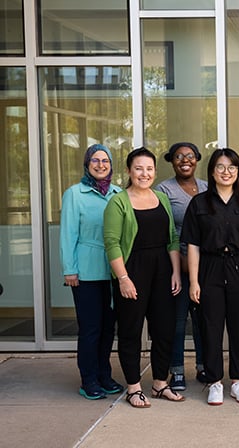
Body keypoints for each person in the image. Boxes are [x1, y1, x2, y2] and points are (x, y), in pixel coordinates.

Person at [103, 147, 184, 408]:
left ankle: (160, 382)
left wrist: (175, 272)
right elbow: (112, 243)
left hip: (162, 269)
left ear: (155, 172)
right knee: (131, 330)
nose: (144, 173)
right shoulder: (118, 201)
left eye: (149, 169)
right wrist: (123, 279)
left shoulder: (161, 197)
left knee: (164, 328)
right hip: (132, 269)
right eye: (138, 168)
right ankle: (133, 387)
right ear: (129, 171)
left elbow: (172, 238)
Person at [181, 148, 239, 405]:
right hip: (210, 267)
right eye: (221, 167)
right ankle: (214, 381)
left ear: (238, 172)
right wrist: (193, 281)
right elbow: (192, 244)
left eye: (232, 168)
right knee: (210, 326)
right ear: (212, 171)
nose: (226, 172)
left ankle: (238, 380)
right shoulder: (199, 203)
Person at [60, 144, 123, 400]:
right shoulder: (75, 194)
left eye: (105, 160)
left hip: (112, 272)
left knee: (109, 328)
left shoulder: (118, 193)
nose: (100, 165)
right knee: (90, 328)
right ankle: (88, 379)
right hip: (85, 273)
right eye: (95, 160)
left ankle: (104, 375)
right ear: (87, 164)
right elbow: (68, 233)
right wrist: (69, 270)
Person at [156, 142, 207, 391]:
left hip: (206, 267)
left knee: (203, 320)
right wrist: (183, 265)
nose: (185, 160)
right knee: (177, 321)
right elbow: (165, 231)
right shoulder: (164, 189)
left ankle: (203, 366)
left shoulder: (208, 187)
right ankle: (176, 369)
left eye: (189, 156)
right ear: (171, 160)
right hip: (177, 267)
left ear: (197, 159)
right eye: (179, 156)